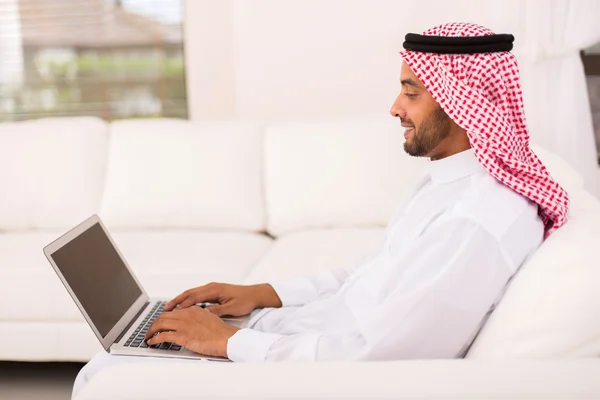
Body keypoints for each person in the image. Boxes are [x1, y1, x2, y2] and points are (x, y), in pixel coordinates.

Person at [73, 22, 569, 395]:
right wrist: (261, 294)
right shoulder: (448, 185)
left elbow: (379, 357)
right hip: (305, 339)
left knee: (110, 373)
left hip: (318, 371)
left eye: (410, 93)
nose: (394, 108)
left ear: (462, 103)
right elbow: (369, 275)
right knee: (121, 354)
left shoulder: (478, 223)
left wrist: (227, 344)